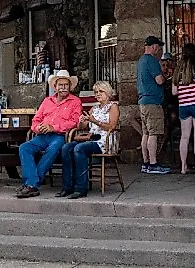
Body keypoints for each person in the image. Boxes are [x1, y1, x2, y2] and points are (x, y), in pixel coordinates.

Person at [16, 70, 83, 198]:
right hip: (42, 135)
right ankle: (32, 184)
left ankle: (31, 184)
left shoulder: (75, 101)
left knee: (52, 149)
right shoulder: (47, 101)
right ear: (55, 87)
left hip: (60, 135)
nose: (63, 87)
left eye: (66, 85)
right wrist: (38, 128)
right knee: (24, 147)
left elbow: (74, 122)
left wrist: (53, 128)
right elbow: (36, 120)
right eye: (60, 85)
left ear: (70, 87)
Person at [58, 80, 119, 199]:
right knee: (66, 148)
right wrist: (81, 122)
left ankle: (81, 188)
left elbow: (112, 126)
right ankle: (67, 187)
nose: (98, 94)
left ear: (107, 92)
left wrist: (94, 121)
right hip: (91, 139)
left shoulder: (113, 107)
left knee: (79, 148)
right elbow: (82, 127)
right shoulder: (94, 108)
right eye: (96, 92)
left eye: (101, 91)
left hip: (104, 141)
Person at [172, 43, 195, 175]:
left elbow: (174, 92)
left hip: (184, 106)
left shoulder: (178, 69)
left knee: (184, 137)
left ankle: (183, 167)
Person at [137, 36, 170, 174]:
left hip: (143, 101)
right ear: (154, 46)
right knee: (154, 134)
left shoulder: (141, 61)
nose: (159, 49)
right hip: (153, 102)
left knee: (146, 133)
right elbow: (159, 80)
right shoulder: (152, 60)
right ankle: (153, 163)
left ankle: (146, 163)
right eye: (158, 46)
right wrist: (166, 77)